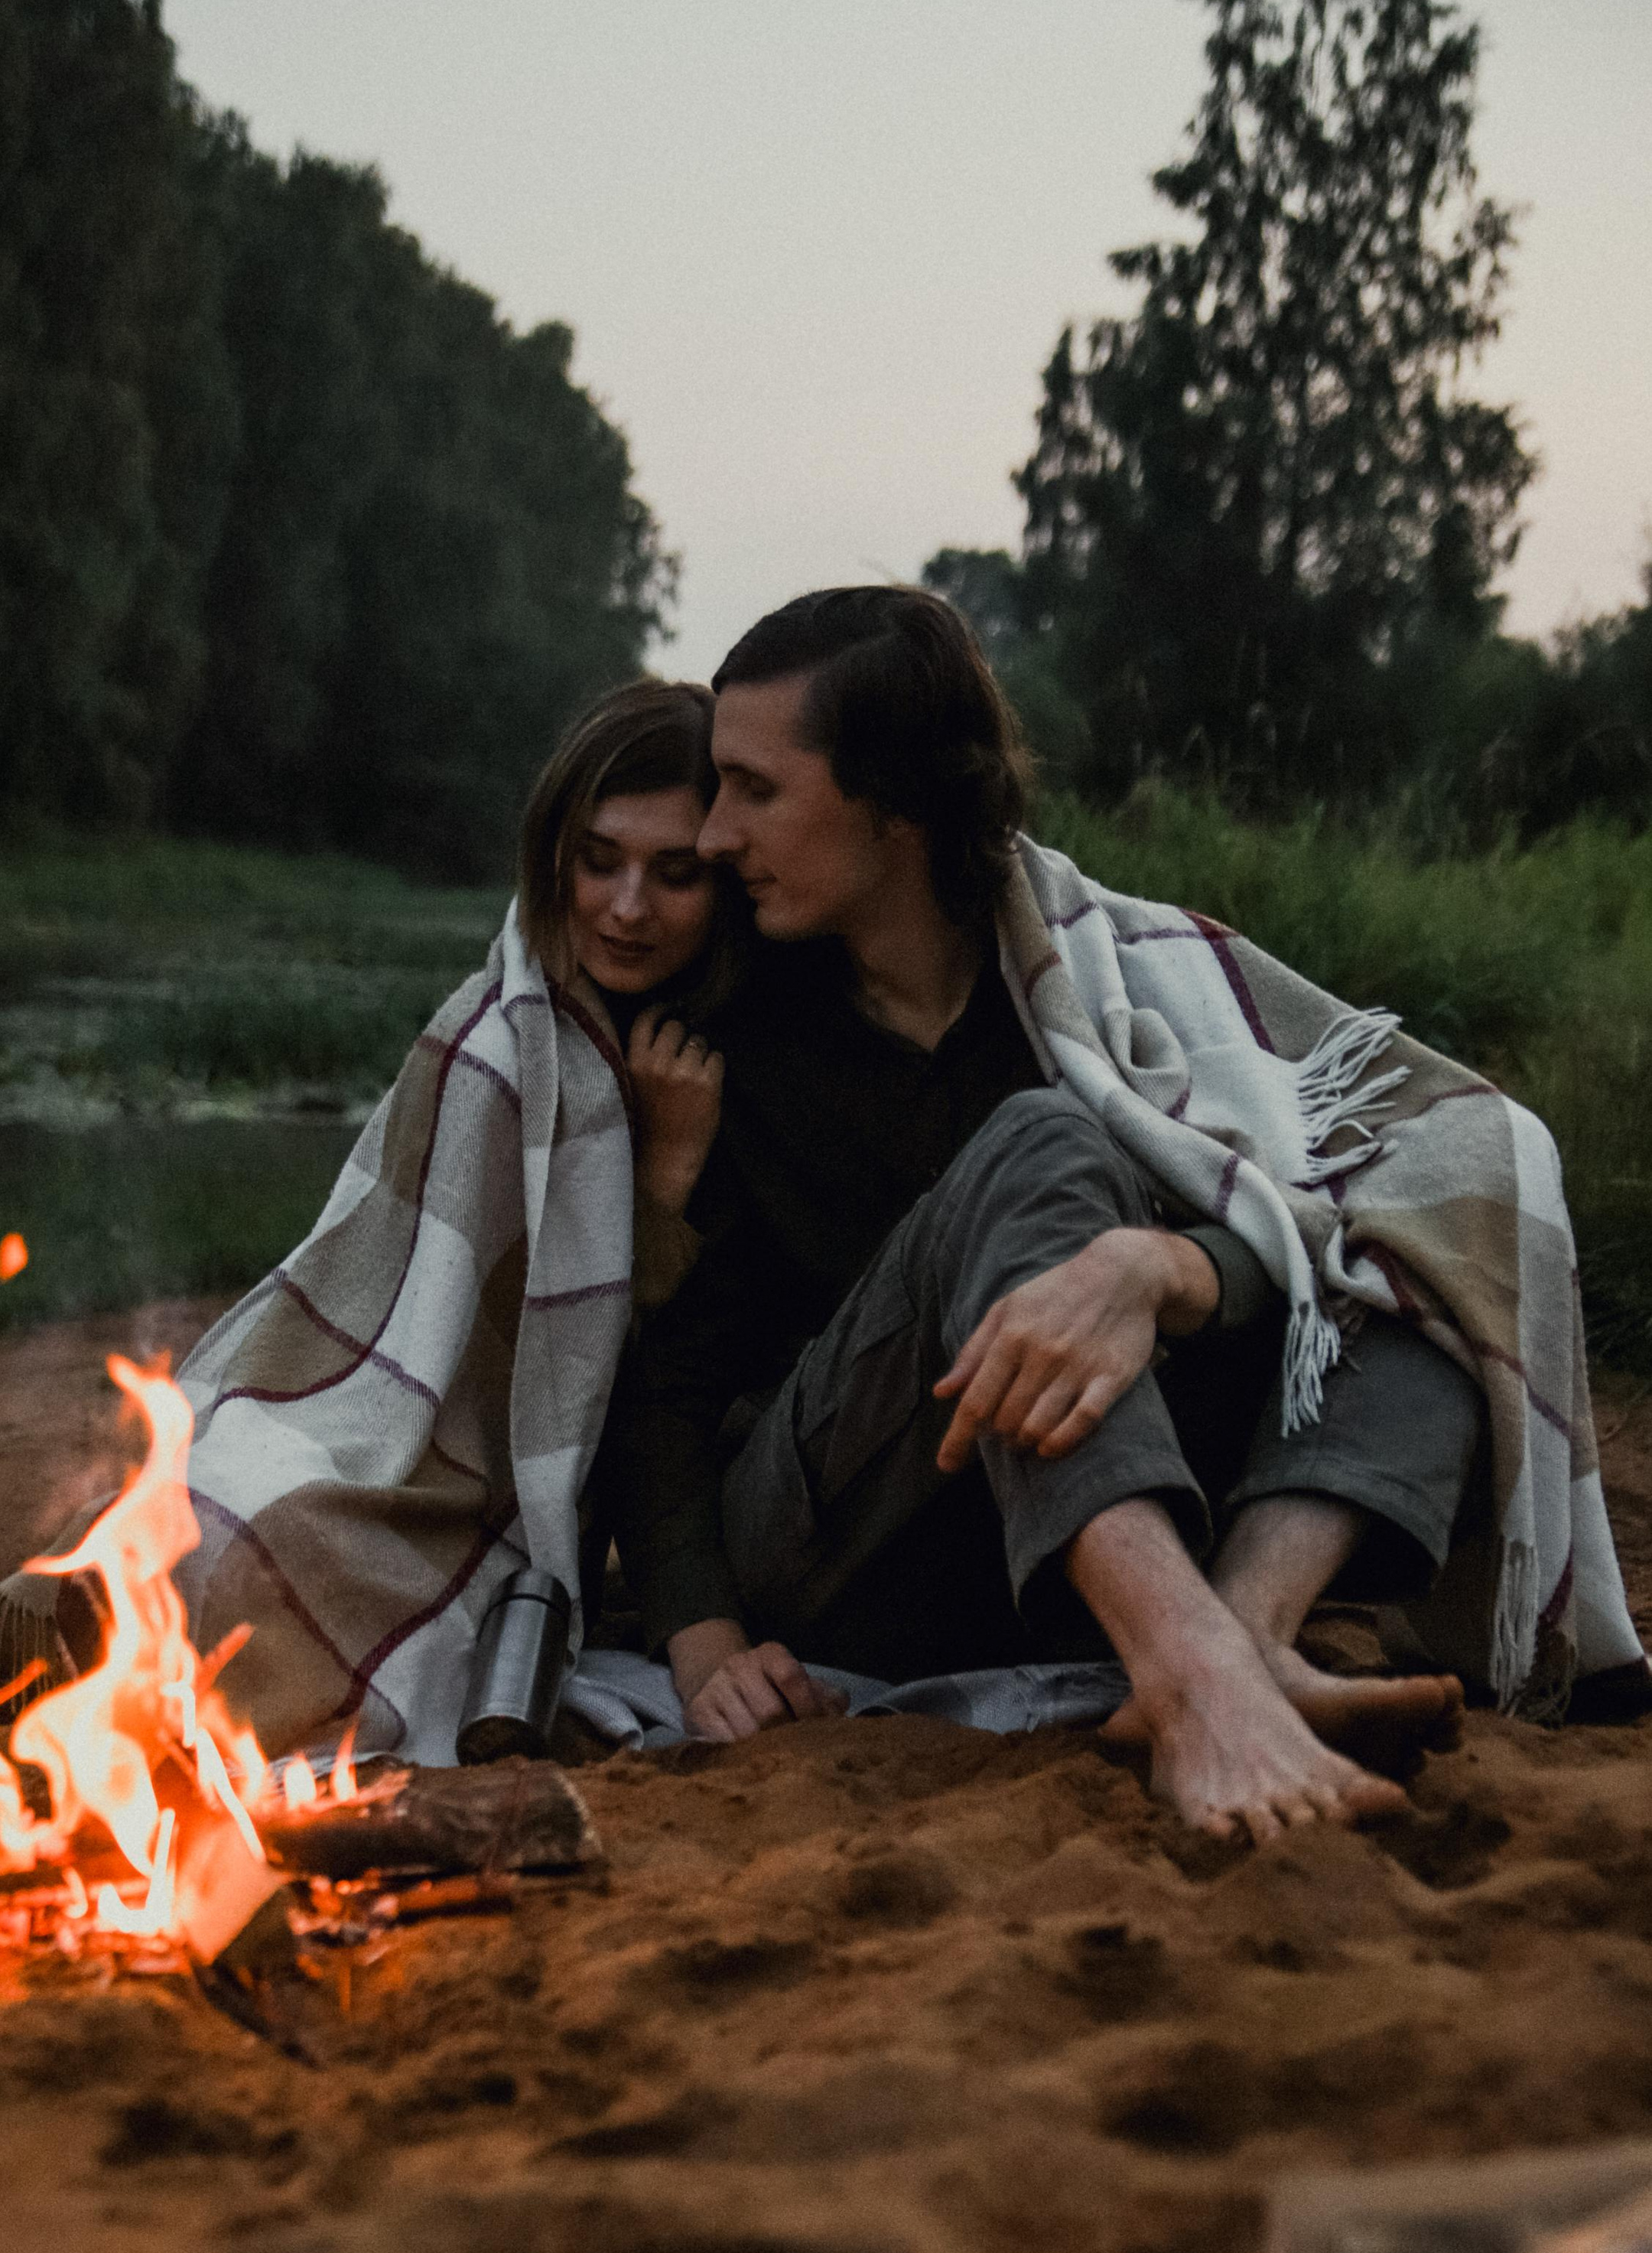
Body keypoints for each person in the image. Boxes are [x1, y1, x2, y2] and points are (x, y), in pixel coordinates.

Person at [614, 587, 1644, 1841]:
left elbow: (1348, 1199)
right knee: (1042, 1142)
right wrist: (707, 1640)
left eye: (754, 791)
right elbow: (660, 1361)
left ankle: (1251, 1638)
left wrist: (1168, 1269)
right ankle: (1198, 1682)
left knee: (1419, 1232)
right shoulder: (725, 1033)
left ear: (896, 805)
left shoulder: (1102, 992)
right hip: (839, 1540)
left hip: (1072, 1537)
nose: (718, 836)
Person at [0, 678, 745, 1757]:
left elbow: (628, 1374)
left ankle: (70, 1689)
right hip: (363, 1419)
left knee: (269, 1555)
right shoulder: (496, 1036)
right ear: (553, 856)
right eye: (600, 859)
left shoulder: (723, 1053)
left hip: (494, 1494)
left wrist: (666, 1178)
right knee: (183, 1506)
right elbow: (370, 1289)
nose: (628, 906)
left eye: (675, 874)